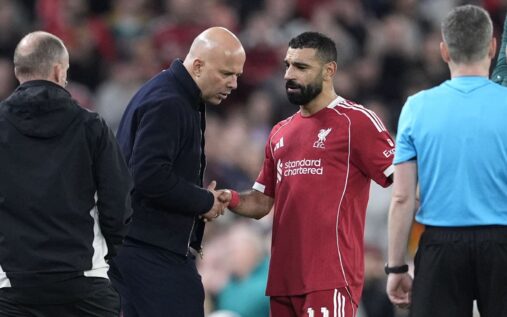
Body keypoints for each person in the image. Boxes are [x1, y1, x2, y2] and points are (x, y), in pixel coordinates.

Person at [221, 32, 395, 317]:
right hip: (282, 281)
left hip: (331, 278)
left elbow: (401, 178)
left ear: (329, 71)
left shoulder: (357, 122)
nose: (289, 74)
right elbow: (262, 202)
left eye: (301, 67)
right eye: (287, 65)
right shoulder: (280, 132)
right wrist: (230, 198)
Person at [109, 27, 246, 317]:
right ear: (198, 65)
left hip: (146, 249)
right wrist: (204, 201)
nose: (234, 84)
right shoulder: (168, 102)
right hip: (149, 253)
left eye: (237, 75)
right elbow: (149, 176)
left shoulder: (175, 94)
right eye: (226, 74)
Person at [386, 5, 507, 317]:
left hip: (441, 245)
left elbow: (401, 197)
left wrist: (396, 266)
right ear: (493, 47)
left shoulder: (416, 108)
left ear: (444, 51)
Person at [0, 31, 133, 317]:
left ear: (17, 71)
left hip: (12, 286)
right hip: (84, 283)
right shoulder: (92, 127)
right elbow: (118, 204)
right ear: (59, 70)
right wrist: (110, 254)